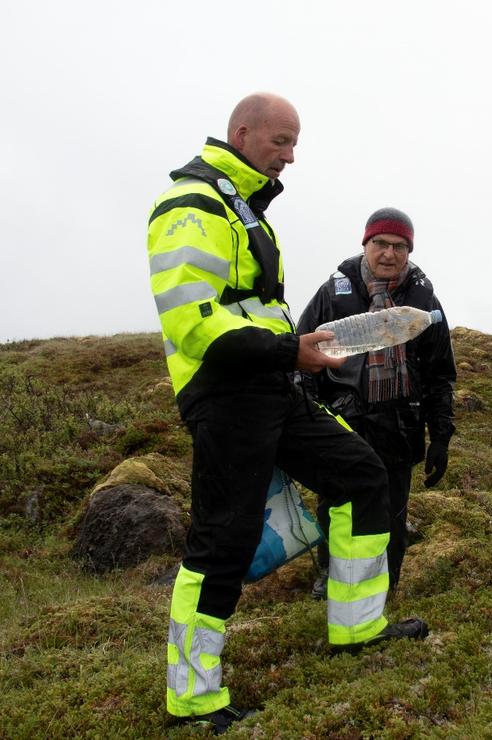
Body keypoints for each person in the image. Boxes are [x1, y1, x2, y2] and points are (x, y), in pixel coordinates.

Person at [147, 93, 427, 733]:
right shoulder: (192, 207)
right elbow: (193, 322)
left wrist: (295, 356)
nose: (291, 155)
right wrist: (288, 350)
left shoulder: (247, 208)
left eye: (294, 143)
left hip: (273, 386)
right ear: (241, 133)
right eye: (281, 141)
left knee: (361, 472)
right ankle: (192, 698)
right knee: (223, 537)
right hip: (225, 393)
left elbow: (257, 311)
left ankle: (358, 628)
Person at [297, 207, 456, 597]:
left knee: (392, 506)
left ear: (409, 251)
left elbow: (439, 374)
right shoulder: (333, 294)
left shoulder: (424, 301)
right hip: (344, 419)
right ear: (365, 245)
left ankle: (387, 579)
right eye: (380, 243)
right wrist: (308, 413)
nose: (389, 253)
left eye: (399, 246)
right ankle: (330, 575)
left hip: (400, 423)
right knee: (337, 502)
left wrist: (440, 436)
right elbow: (301, 357)